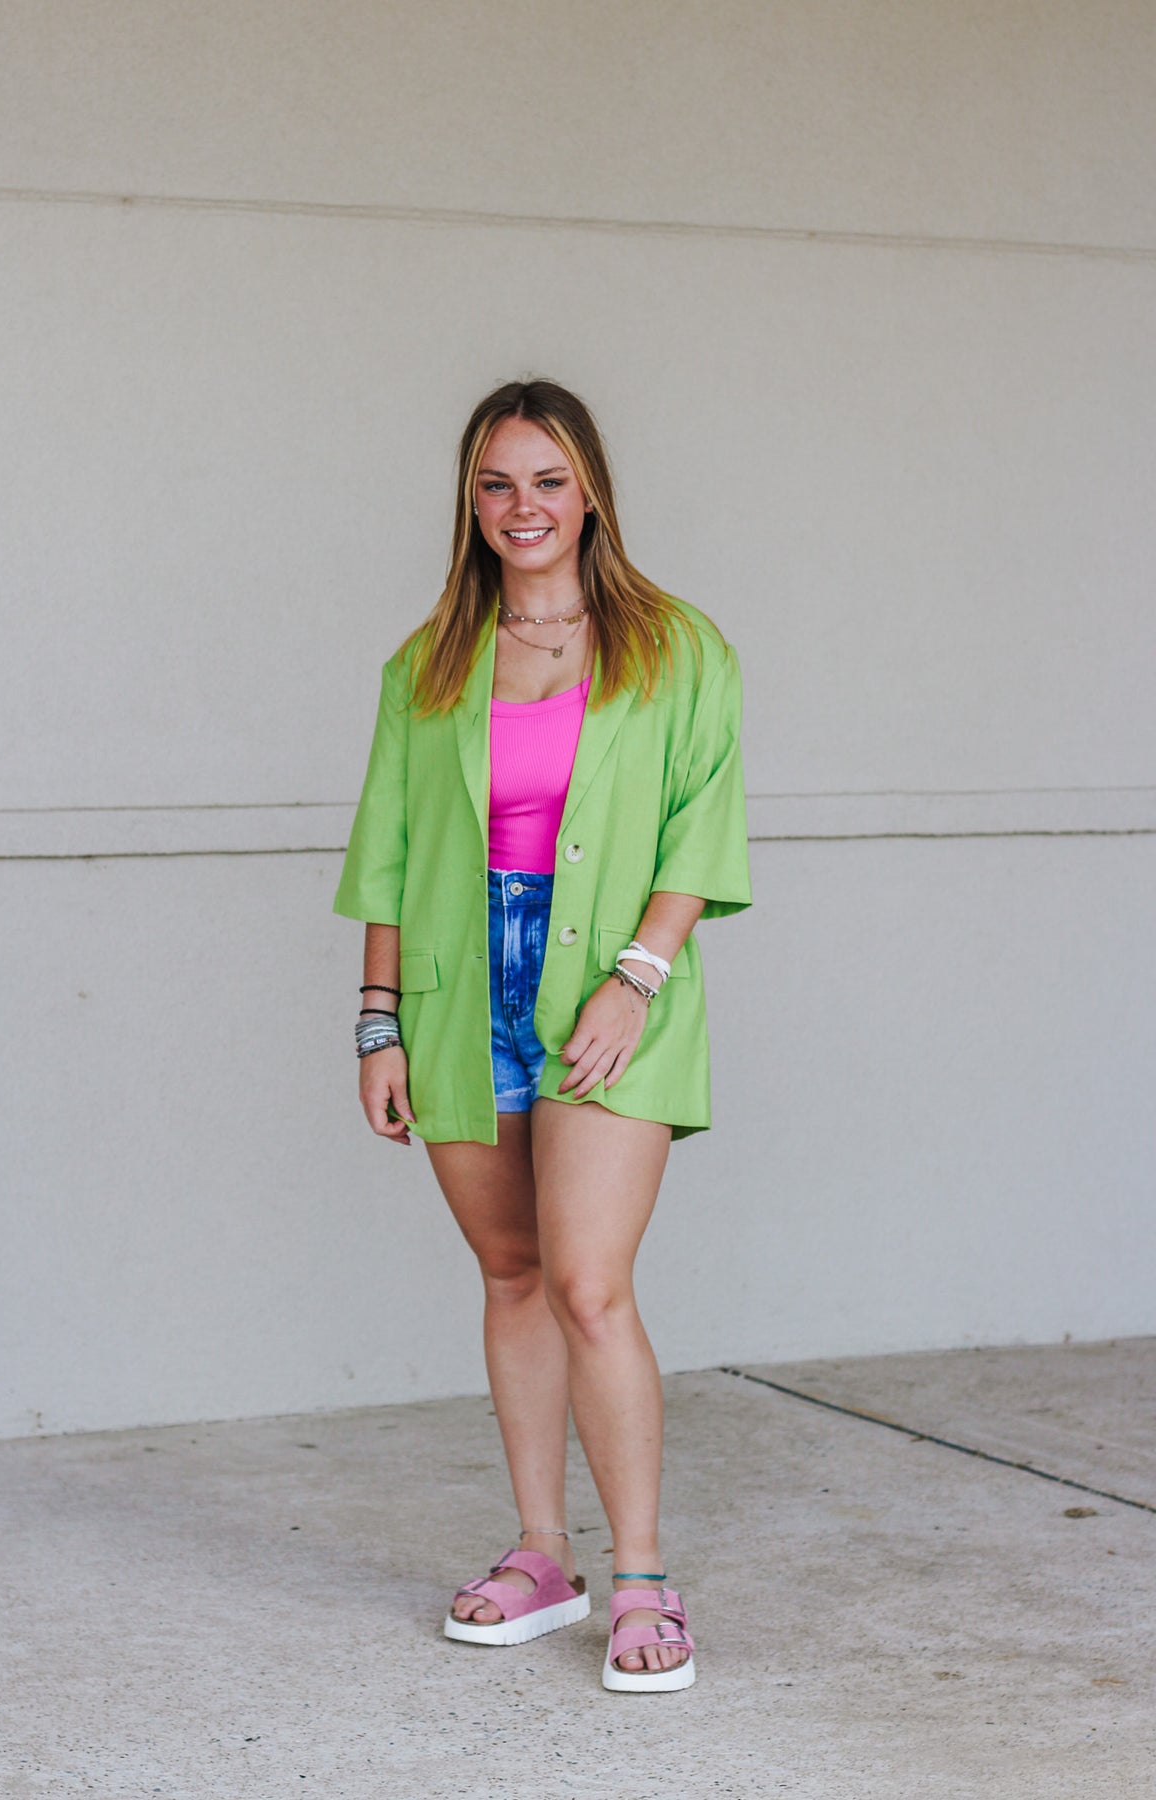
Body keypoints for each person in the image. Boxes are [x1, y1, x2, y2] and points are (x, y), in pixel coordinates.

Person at [334, 378, 750, 1691]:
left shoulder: (677, 649)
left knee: (589, 1284)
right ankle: (540, 1556)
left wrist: (638, 977)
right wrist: (377, 1025)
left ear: (592, 492)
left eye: (549, 480)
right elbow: (388, 856)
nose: (525, 507)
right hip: (461, 991)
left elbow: (699, 832)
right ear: (471, 500)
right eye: (498, 482)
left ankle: (643, 1577)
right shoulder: (428, 664)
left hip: (610, 986)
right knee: (512, 1274)